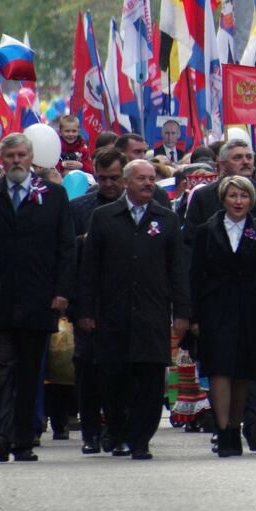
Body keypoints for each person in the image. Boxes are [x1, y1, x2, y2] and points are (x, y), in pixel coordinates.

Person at [74, 160, 187, 460]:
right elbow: (89, 269)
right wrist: (85, 310)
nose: (149, 183)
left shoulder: (166, 219)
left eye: (152, 178)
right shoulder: (103, 217)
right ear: (126, 182)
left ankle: (141, 439)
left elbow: (177, 269)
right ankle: (118, 432)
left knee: (150, 380)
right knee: (114, 378)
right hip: (113, 313)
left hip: (152, 312)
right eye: (141, 179)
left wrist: (183, 313)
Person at [0, 132, 76, 463]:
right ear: (2, 159)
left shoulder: (54, 195)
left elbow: (66, 247)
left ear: (31, 158)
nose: (16, 161)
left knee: (30, 371)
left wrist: (63, 291)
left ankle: (22, 439)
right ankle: (0, 433)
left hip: (39, 298)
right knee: (4, 366)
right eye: (10, 156)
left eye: (21, 155)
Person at [185, 138, 256, 452]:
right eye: (233, 195)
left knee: (244, 371)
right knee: (219, 369)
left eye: (244, 196)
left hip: (250, 308)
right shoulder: (207, 230)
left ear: (251, 200)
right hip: (216, 307)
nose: (238, 201)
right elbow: (195, 274)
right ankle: (223, 428)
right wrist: (194, 315)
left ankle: (236, 424)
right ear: (223, 198)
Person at [68, 147, 128, 453]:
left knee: (119, 369)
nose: (108, 184)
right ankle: (90, 430)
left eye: (114, 178)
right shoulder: (80, 208)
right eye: (102, 178)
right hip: (88, 300)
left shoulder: (138, 205)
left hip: (125, 300)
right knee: (87, 367)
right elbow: (66, 252)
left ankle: (117, 430)